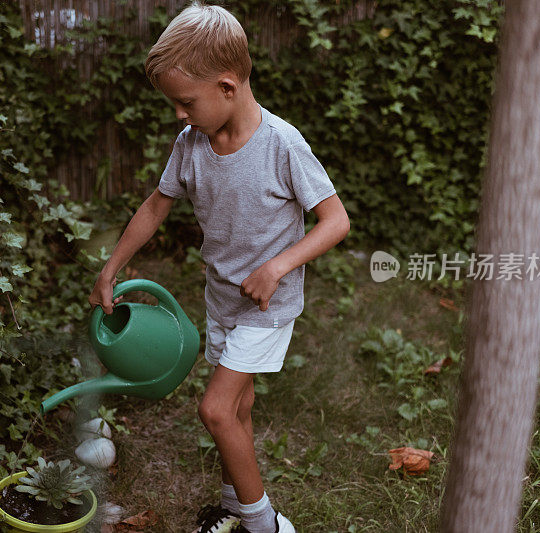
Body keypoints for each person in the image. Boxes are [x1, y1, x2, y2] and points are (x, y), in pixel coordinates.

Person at [88, 2, 350, 532]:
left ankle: (265, 527)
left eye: (185, 103)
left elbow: (335, 221)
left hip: (265, 305)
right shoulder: (192, 146)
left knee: (214, 410)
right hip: (222, 299)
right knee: (238, 408)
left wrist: (277, 266)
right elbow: (157, 204)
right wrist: (112, 266)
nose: (179, 116)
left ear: (228, 87)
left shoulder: (282, 145)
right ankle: (235, 508)